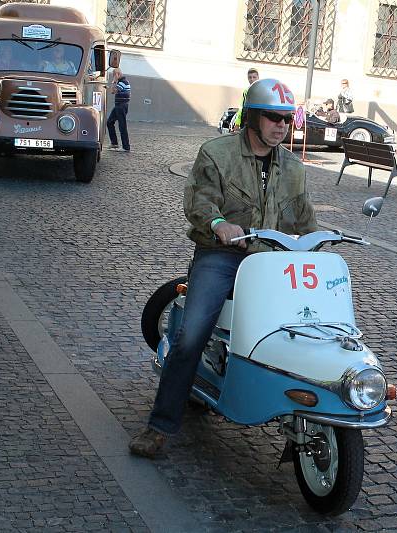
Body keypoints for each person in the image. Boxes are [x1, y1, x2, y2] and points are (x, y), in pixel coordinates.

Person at [129, 78, 318, 458]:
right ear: (251, 117)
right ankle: (160, 426)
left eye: (287, 119)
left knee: (307, 326)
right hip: (222, 254)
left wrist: (319, 244)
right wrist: (219, 225)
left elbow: (303, 219)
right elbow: (199, 202)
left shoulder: (294, 169)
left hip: (269, 260)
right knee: (192, 334)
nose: (280, 125)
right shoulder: (217, 154)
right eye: (272, 117)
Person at [106, 68, 131, 152]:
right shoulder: (122, 82)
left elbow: (113, 91)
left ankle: (126, 147)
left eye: (114, 74)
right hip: (118, 106)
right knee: (109, 122)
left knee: (122, 126)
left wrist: (114, 81)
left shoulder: (122, 82)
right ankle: (114, 143)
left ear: (118, 74)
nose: (113, 76)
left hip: (121, 106)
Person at [230, 68, 260, 132]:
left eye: (254, 77)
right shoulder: (246, 91)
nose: (252, 79)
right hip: (246, 121)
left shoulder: (262, 90)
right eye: (250, 77)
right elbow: (241, 108)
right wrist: (237, 123)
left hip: (257, 122)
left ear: (258, 78)